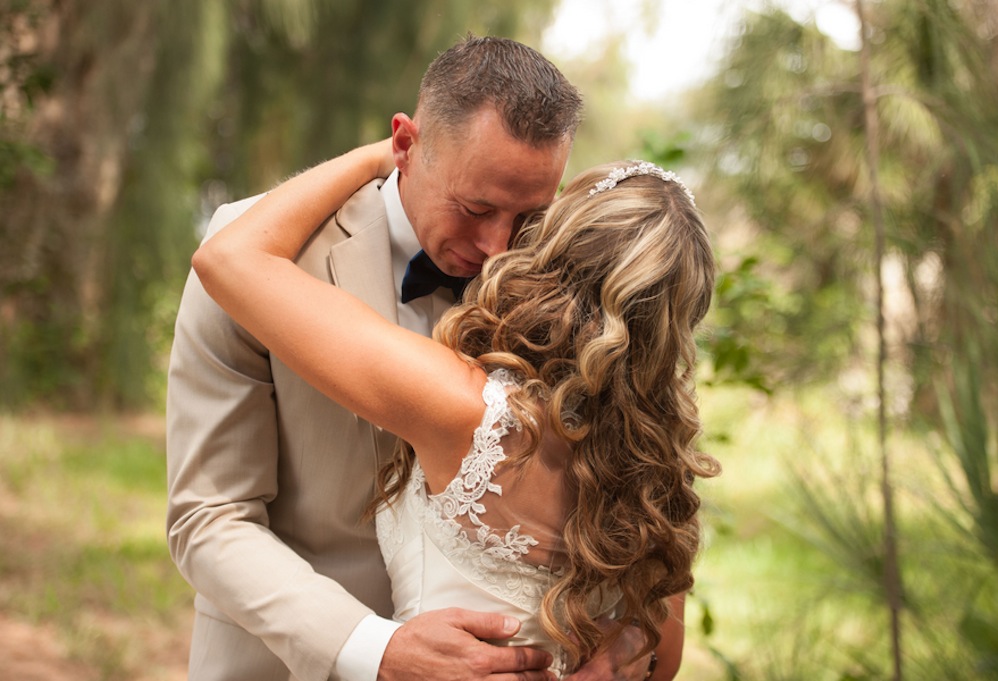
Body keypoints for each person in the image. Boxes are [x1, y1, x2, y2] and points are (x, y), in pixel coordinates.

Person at [167, 35, 656, 681]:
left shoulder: (564, 284)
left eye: (529, 213)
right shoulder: (260, 258)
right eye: (475, 207)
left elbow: (627, 483)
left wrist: (624, 641)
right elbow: (209, 516)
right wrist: (374, 648)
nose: (497, 247)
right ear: (405, 144)